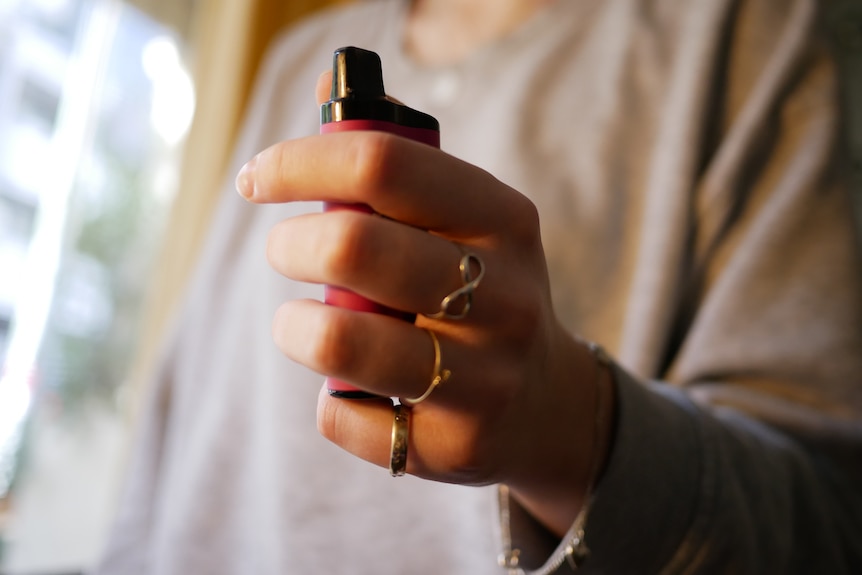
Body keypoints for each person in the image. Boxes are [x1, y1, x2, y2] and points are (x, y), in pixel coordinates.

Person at [96, 0, 862, 573]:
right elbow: (170, 440)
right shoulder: (294, 62)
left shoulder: (740, 35)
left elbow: (830, 522)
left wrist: (574, 427)